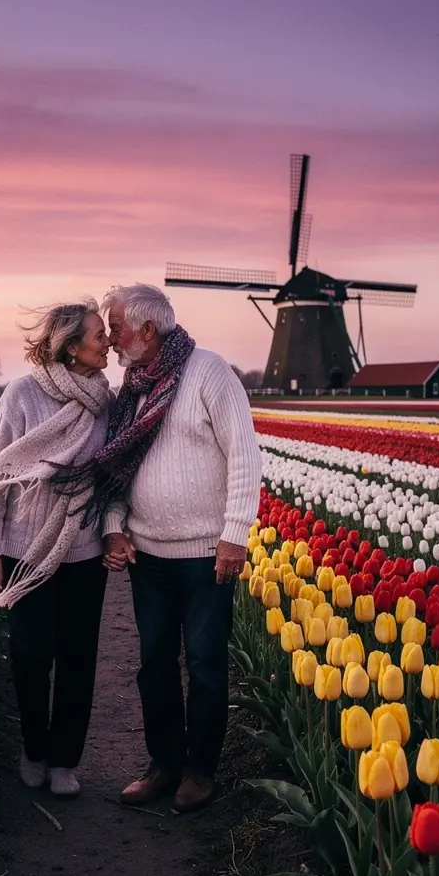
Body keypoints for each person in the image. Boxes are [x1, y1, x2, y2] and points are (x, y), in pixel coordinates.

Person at [92, 283, 262, 812]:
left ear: (147, 329)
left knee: (207, 665)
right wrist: (115, 526)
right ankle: (164, 764)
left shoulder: (208, 372)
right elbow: (118, 468)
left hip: (207, 554)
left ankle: (201, 770)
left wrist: (234, 535)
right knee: (155, 664)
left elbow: (245, 454)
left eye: (115, 325)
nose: (111, 336)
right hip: (150, 555)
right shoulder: (133, 386)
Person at [0, 301, 111, 797]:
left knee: (80, 658)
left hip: (84, 547)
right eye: (99, 335)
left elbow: (112, 480)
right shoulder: (22, 395)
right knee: (32, 654)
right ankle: (34, 748)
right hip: (26, 549)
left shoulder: (106, 401)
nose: (108, 343)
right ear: (71, 346)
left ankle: (65, 761)